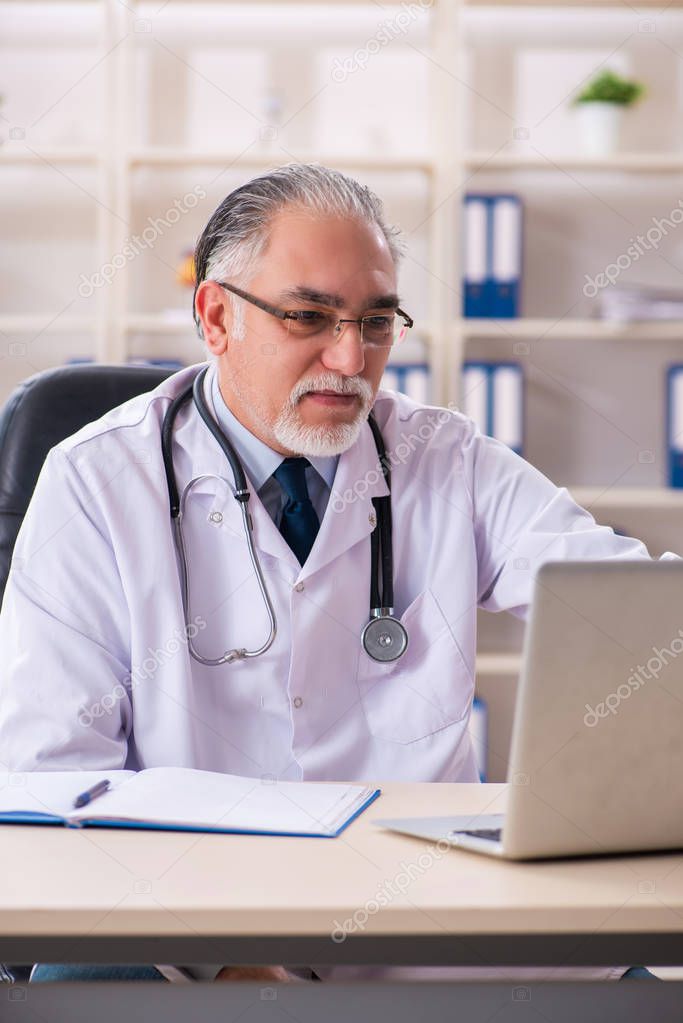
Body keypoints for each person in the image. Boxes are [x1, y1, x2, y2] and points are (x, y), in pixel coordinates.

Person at [0, 164, 673, 985]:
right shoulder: (98, 481)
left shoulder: (444, 458)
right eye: (309, 315)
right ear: (215, 315)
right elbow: (52, 779)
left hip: (426, 917)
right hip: (179, 924)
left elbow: (634, 609)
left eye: (377, 321)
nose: (350, 356)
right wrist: (225, 960)